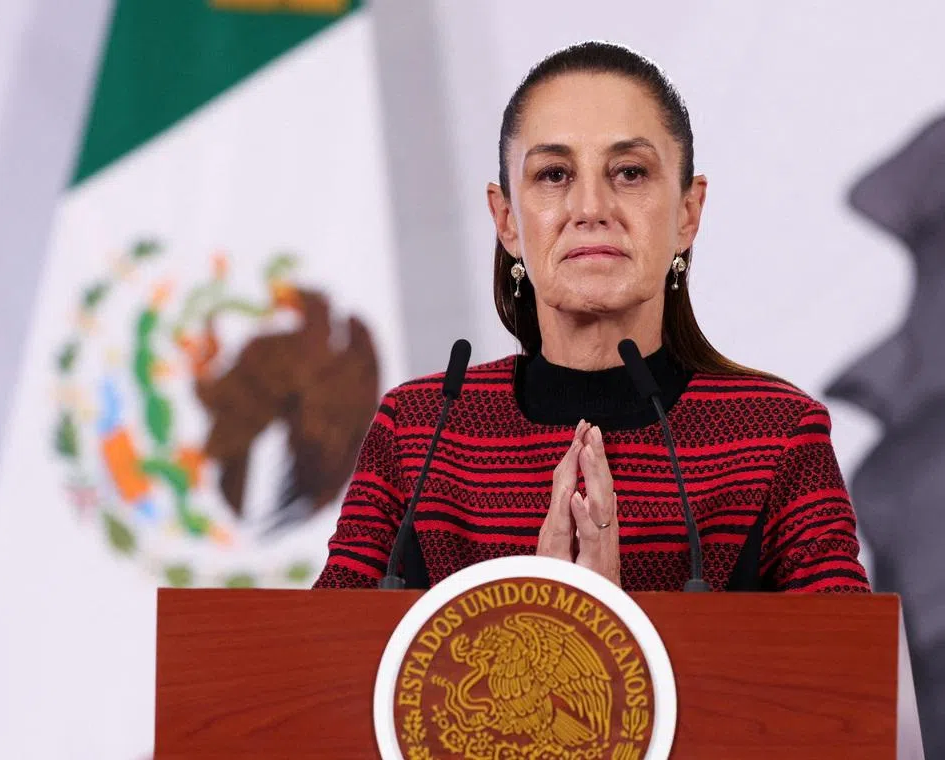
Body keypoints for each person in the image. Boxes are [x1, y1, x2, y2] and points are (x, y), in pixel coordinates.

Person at [313, 41, 870, 593]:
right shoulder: (418, 434)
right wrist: (543, 615)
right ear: (506, 220)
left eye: (629, 172)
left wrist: (608, 620)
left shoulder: (774, 438)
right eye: (554, 174)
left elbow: (850, 672)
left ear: (687, 212)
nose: (590, 210)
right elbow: (317, 667)